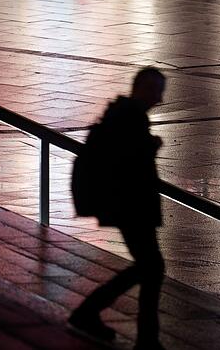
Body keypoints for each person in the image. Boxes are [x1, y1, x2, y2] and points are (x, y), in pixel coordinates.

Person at [68, 67, 167, 350]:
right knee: (151, 267)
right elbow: (128, 160)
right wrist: (151, 145)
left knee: (149, 267)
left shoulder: (125, 113)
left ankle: (139, 334)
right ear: (140, 88)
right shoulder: (130, 116)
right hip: (131, 206)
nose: (158, 98)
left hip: (129, 206)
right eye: (155, 90)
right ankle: (139, 336)